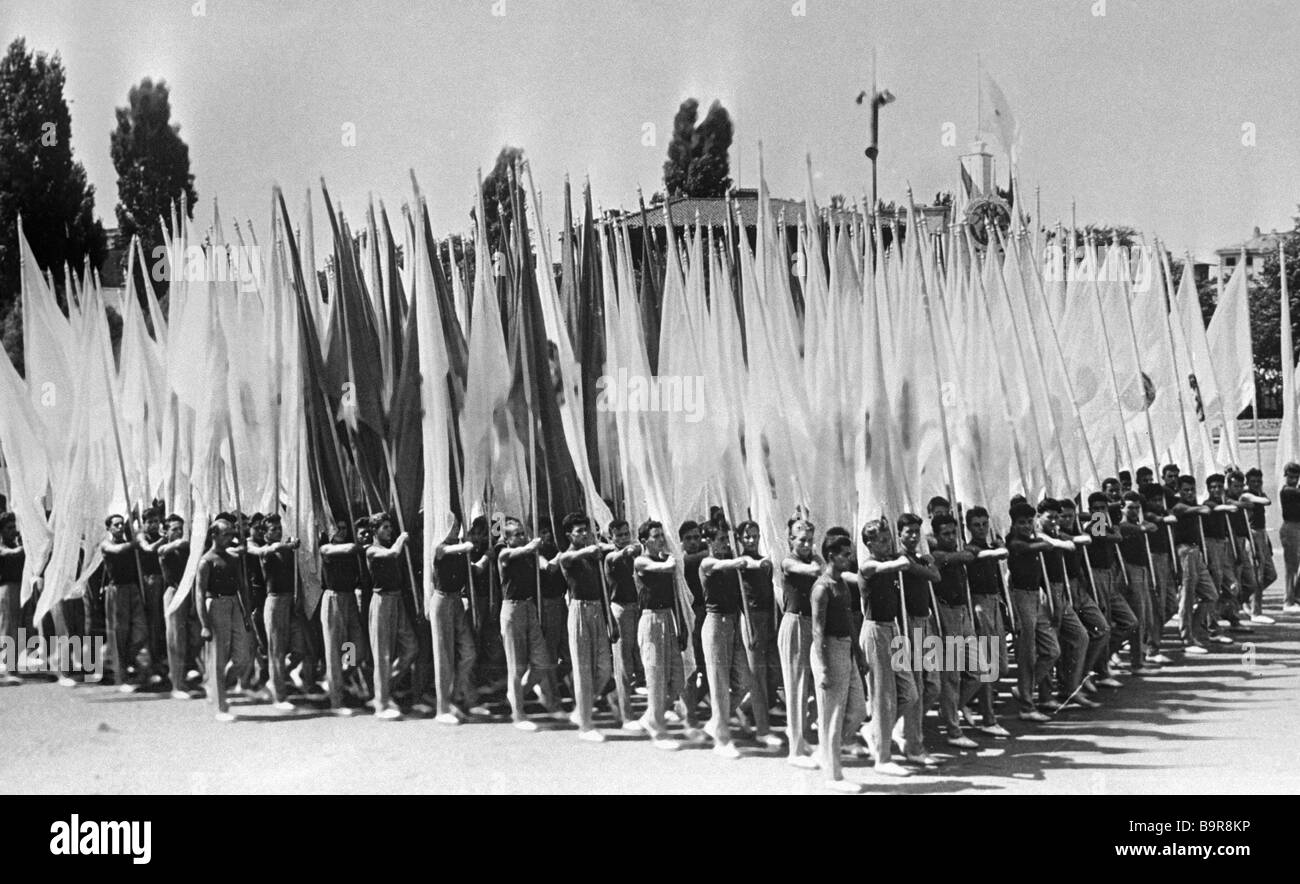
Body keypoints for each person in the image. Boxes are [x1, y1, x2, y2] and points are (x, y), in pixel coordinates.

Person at [634, 519, 701, 749]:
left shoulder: (666, 560)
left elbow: (674, 597)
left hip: (668, 619)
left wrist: (681, 625)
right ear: (644, 541)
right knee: (655, 675)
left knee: (677, 677)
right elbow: (661, 568)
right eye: (656, 536)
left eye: (663, 535)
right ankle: (658, 730)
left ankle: (651, 715)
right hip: (650, 621)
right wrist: (671, 561)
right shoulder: (641, 560)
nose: (661, 539)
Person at [809, 533, 867, 793]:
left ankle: (826, 751)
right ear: (831, 556)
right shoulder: (822, 588)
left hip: (846, 649)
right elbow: (817, 630)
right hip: (829, 649)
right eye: (845, 554)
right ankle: (833, 776)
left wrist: (859, 653)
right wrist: (822, 667)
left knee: (857, 711)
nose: (849, 558)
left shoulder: (842, 584)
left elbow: (850, 621)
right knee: (831, 715)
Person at [497, 518, 566, 731]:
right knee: (516, 666)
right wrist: (529, 547)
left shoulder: (531, 554)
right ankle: (518, 714)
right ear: (507, 539)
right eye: (516, 535)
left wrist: (559, 557)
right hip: (512, 609)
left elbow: (548, 567)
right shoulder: (505, 554)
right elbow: (512, 554)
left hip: (530, 608)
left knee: (542, 662)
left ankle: (515, 694)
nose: (521, 537)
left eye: (522, 533)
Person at [857, 518, 913, 776]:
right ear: (869, 544)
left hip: (893, 628)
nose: (887, 543)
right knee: (882, 697)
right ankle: (882, 758)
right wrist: (899, 561)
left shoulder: (889, 560)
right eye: (881, 540)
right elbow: (886, 567)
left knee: (909, 693)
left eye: (888, 538)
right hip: (875, 631)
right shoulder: (868, 564)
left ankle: (874, 730)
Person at [554, 512, 614, 742]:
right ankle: (586, 726)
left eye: (586, 530)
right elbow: (566, 561)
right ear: (569, 534)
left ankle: (582, 707)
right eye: (579, 531)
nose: (585, 534)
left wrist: (611, 620)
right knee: (584, 670)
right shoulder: (569, 555)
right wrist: (588, 551)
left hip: (598, 610)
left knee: (604, 668)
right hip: (579, 611)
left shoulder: (594, 554)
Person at [699, 525, 757, 759]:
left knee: (743, 680)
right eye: (722, 539)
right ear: (711, 542)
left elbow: (741, 596)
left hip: (733, 622)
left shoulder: (733, 564)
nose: (726, 543)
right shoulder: (707, 563)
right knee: (719, 683)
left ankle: (716, 719)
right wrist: (737, 562)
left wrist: (749, 627)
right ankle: (722, 739)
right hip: (715, 625)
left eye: (727, 539)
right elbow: (720, 565)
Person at [929, 513, 983, 748]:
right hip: (946, 614)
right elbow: (961, 556)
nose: (951, 537)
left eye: (954, 533)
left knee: (980, 670)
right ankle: (953, 729)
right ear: (936, 536)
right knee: (951, 675)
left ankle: (952, 709)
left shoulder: (955, 553)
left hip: (963, 612)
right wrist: (967, 553)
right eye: (946, 534)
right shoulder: (937, 555)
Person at [1004, 501, 1060, 722]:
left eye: (1029, 522)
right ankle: (1027, 706)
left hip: (1037, 595)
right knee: (1027, 654)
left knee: (1052, 650)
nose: (1026, 526)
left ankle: (1025, 689)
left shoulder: (1033, 537)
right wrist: (1047, 541)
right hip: (1021, 597)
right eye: (1022, 523)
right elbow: (1030, 547)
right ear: (1013, 524)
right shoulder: (1014, 541)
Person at [895, 513, 942, 766]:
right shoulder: (899, 558)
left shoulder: (917, 557)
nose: (913, 536)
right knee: (916, 687)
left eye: (916, 532)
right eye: (908, 532)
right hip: (908, 623)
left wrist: (922, 564)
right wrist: (925, 564)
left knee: (933, 684)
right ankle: (914, 744)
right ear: (899, 534)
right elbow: (933, 574)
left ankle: (905, 729)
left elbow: (935, 576)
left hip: (926, 621)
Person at [196, 518, 252, 722]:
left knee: (243, 656)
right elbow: (199, 594)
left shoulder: (232, 558)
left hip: (234, 605)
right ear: (214, 536)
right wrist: (204, 624)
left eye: (232, 534)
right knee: (218, 657)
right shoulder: (206, 561)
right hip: (216, 604)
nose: (231, 538)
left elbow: (242, 586)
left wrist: (246, 611)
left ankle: (215, 683)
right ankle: (221, 707)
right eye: (226, 534)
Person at [963, 507, 1011, 737]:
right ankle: (988, 718)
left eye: (984, 524)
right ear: (969, 527)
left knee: (1001, 666)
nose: (981, 529)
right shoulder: (970, 549)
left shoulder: (991, 547)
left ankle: (967, 701)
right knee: (988, 665)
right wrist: (1000, 548)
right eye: (976, 525)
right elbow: (992, 555)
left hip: (995, 603)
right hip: (979, 604)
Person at [735, 520, 783, 749]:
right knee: (758, 677)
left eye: (755, 536)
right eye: (747, 537)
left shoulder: (762, 560)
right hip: (751, 618)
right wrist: (765, 562)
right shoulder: (743, 561)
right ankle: (762, 729)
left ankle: (743, 708)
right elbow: (752, 565)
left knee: (773, 673)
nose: (752, 540)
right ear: (740, 540)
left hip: (767, 617)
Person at [364, 514, 416, 720]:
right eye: (385, 527)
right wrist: (401, 539)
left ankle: (383, 689)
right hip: (381, 602)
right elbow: (394, 553)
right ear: (375, 530)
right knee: (382, 656)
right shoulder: (371, 550)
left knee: (411, 648)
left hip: (397, 600)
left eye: (390, 527)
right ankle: (381, 705)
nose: (389, 531)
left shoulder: (387, 548)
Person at [430, 517, 480, 725]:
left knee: (468, 651)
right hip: (441, 601)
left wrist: (485, 557)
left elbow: (474, 569)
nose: (456, 528)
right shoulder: (438, 546)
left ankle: (457, 694)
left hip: (457, 601)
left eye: (457, 525)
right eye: (451, 525)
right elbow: (443, 552)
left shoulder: (459, 549)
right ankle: (442, 708)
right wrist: (466, 545)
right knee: (444, 656)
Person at [779, 519, 820, 767]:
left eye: (809, 539)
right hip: (794, 624)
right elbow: (815, 571)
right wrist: (816, 558)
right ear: (791, 541)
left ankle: (801, 737)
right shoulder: (788, 561)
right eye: (801, 539)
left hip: (810, 624)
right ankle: (795, 751)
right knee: (796, 688)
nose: (806, 544)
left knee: (811, 688)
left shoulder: (812, 560)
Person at [320, 519, 369, 716]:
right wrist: (360, 546)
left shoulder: (353, 551)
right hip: (333, 599)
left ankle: (339, 677)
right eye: (337, 528)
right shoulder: (326, 548)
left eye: (344, 528)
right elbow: (347, 549)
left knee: (356, 647)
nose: (341, 531)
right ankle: (336, 701)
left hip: (349, 598)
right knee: (334, 651)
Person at [256, 515, 302, 711]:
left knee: (300, 648)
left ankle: (277, 678)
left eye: (278, 528)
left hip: (289, 601)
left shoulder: (287, 552)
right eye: (273, 529)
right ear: (265, 534)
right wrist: (289, 545)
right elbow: (274, 548)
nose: (277, 532)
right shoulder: (266, 550)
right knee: (276, 651)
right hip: (273, 602)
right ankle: (279, 696)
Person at [100, 514, 150, 691]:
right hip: (117, 591)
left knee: (141, 630)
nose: (120, 527)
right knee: (118, 634)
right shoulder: (107, 545)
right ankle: (120, 677)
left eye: (122, 524)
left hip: (132, 589)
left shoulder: (129, 543)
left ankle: (130, 661)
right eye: (116, 525)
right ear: (109, 528)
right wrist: (133, 544)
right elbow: (118, 551)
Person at [1171, 475, 1218, 654]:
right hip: (1184, 552)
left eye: (1192, 489)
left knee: (1211, 594)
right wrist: (1200, 507)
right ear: (1179, 491)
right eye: (1186, 490)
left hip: (1196, 551)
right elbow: (1202, 510)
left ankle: (1195, 631)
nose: (1190, 493)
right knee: (1187, 596)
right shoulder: (1179, 506)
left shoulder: (1192, 506)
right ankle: (1187, 638)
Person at [604, 518, 643, 723]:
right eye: (619, 535)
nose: (624, 538)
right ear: (611, 538)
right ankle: (625, 713)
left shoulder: (634, 552)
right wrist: (630, 548)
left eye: (626, 534)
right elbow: (620, 555)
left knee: (637, 657)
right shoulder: (611, 556)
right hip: (620, 609)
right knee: (623, 662)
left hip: (636, 607)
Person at [158, 516, 200, 699]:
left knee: (194, 637)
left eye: (180, 528)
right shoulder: (164, 549)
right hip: (173, 594)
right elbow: (169, 547)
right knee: (176, 640)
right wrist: (185, 542)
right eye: (174, 529)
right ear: (165, 532)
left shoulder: (185, 550)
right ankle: (177, 685)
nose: (179, 532)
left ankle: (183, 674)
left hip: (188, 594)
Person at [1116, 492, 1158, 674]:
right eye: (1130, 507)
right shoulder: (1123, 526)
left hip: (1142, 570)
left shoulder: (1135, 524)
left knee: (1145, 617)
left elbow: (1152, 527)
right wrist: (1142, 527)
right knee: (1136, 619)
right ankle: (1135, 662)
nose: (1134, 511)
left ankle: (1136, 658)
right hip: (1129, 572)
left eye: (1136, 508)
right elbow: (1103, 533)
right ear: (1121, 508)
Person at [1201, 474, 1244, 637]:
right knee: (1215, 585)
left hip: (1223, 544)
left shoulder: (1223, 502)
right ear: (1208, 489)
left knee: (1232, 584)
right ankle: (1211, 626)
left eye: (1219, 486)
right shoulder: (1209, 503)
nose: (1216, 490)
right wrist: (1228, 506)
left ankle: (1230, 616)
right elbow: (1216, 508)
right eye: (1213, 487)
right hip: (1212, 545)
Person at [134, 507, 169, 688]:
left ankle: (162, 661)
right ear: (144, 522)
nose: (154, 525)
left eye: (156, 521)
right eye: (150, 522)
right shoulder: (142, 536)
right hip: (150, 581)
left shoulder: (161, 535)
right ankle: (151, 663)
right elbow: (148, 550)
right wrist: (163, 540)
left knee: (162, 622)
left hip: (163, 579)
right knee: (153, 622)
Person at [679, 520, 709, 717]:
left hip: (706, 613)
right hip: (692, 615)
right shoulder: (685, 560)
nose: (693, 542)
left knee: (706, 666)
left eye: (697, 537)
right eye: (688, 538)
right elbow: (700, 557)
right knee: (696, 664)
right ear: (680, 541)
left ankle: (690, 704)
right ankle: (685, 706)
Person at [1240, 468, 1277, 623]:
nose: (1256, 484)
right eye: (1253, 481)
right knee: (1258, 575)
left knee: (1270, 575)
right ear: (1247, 483)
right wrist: (1259, 495)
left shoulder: (1260, 493)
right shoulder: (1247, 495)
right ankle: (1256, 612)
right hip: (1252, 534)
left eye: (1259, 481)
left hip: (1262, 533)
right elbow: (1267, 502)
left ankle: (1244, 597)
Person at [0, 513, 23, 686]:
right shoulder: (3, 547)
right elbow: (11, 555)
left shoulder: (13, 544)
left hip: (17, 587)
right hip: (6, 588)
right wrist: (24, 546)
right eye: (9, 528)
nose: (13, 531)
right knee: (8, 627)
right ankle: (7, 667)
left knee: (15, 627)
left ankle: (12, 665)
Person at [1280, 463, 1300, 614]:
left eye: (1296, 477)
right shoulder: (1287, 491)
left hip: (1297, 527)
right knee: (1291, 567)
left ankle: (1295, 595)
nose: (1293, 479)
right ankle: (1288, 600)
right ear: (1285, 476)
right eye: (1290, 477)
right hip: (1291, 528)